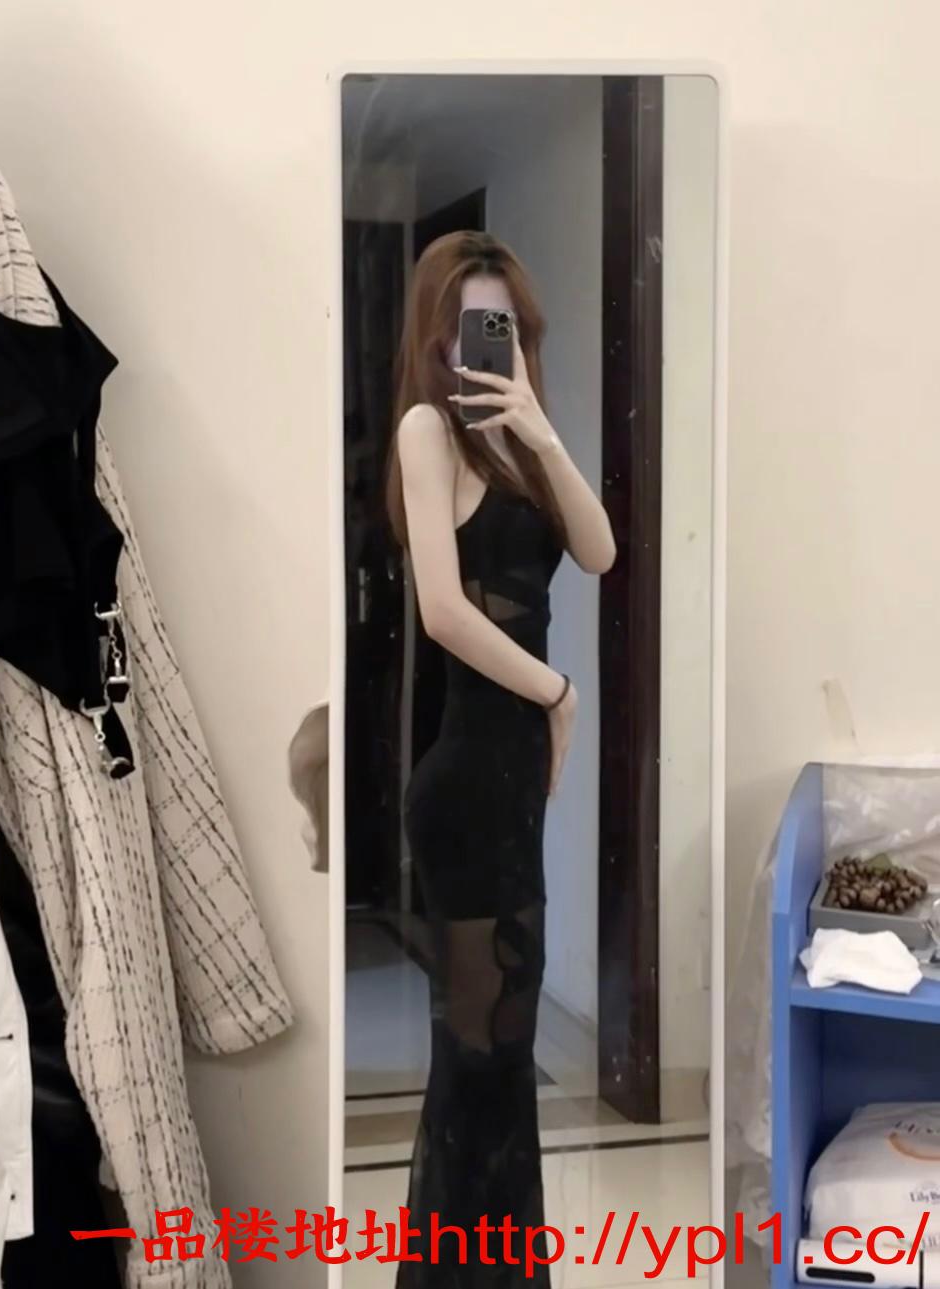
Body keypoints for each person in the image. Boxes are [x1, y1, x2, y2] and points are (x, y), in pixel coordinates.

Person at [386, 230, 616, 1286]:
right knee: (477, 1068)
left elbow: (599, 549)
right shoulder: (426, 431)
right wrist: (558, 692)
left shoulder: (522, 446)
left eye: (507, 327)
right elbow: (443, 610)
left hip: (514, 792)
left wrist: (540, 427)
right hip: (470, 786)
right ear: (436, 336)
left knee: (503, 1064)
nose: (488, 344)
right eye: (472, 325)